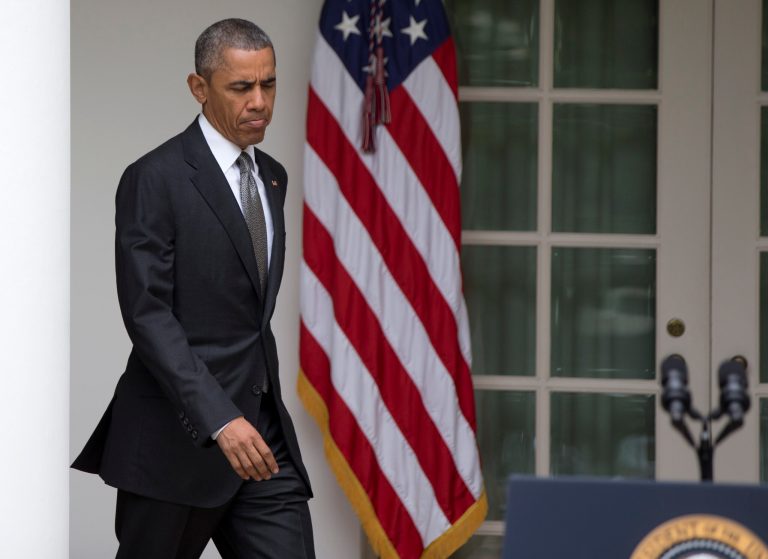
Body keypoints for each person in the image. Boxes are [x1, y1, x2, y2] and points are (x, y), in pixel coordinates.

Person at [72, 18, 314, 559]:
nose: (259, 102)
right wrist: (219, 418)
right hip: (174, 441)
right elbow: (148, 315)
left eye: (269, 84)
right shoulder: (154, 178)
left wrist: (245, 418)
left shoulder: (272, 176)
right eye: (241, 87)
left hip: (263, 438)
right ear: (199, 88)